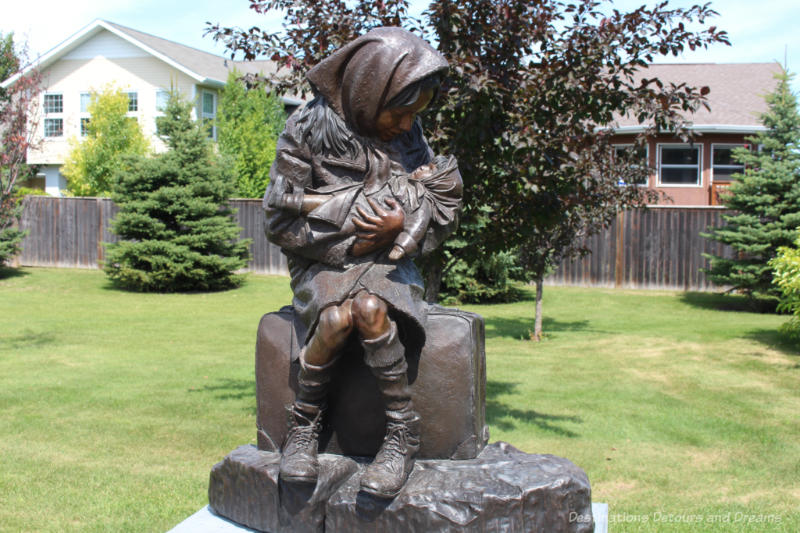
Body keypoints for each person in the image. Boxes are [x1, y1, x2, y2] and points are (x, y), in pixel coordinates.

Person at [263, 26, 461, 498]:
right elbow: (278, 217)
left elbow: (437, 207)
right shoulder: (307, 130)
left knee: (370, 310)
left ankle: (400, 435)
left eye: (418, 113)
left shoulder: (411, 137)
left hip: (391, 264)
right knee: (333, 319)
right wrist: (347, 243)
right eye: (402, 110)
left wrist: (400, 228)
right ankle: (303, 429)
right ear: (369, 93)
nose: (409, 123)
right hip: (325, 262)